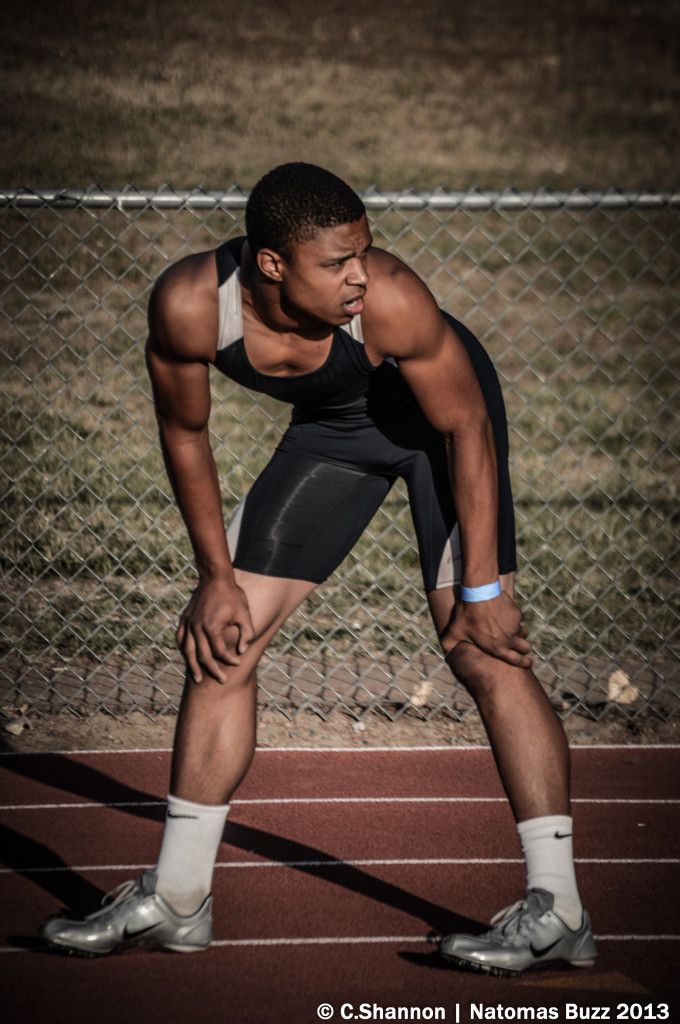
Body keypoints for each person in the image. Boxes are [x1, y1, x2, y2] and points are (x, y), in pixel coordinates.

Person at [39, 162, 596, 976]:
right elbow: (185, 435)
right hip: (335, 432)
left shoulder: (391, 300)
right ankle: (179, 898)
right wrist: (215, 579)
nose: (359, 275)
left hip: (441, 431)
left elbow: (468, 426)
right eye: (336, 264)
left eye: (362, 254)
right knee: (224, 640)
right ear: (271, 264)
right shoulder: (193, 305)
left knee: (480, 648)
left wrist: (482, 591)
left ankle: (559, 911)